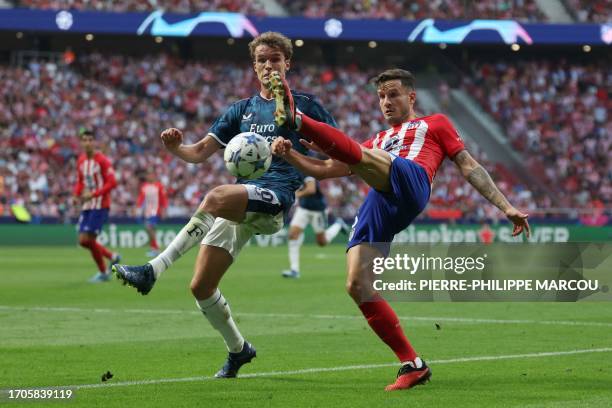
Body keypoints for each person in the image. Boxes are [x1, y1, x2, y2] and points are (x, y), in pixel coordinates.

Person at [269, 68, 530, 391]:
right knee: (356, 284)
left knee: (371, 156)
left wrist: (506, 206)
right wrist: (291, 154)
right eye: (381, 96)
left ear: (411, 96)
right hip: (380, 199)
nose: (386, 102)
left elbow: (469, 166)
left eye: (393, 94)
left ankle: (298, 117)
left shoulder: (435, 123)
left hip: (412, 179)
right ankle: (413, 364)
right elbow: (323, 169)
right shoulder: (376, 140)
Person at [112, 32, 337, 378]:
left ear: (287, 64)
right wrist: (176, 148)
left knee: (215, 196)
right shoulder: (241, 111)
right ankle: (239, 350)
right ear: (254, 65)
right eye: (261, 60)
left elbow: (338, 157)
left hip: (274, 198)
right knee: (201, 287)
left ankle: (152, 270)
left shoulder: (306, 106)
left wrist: (299, 160)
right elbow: (199, 152)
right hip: (242, 201)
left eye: (275, 59)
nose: (268, 66)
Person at [72, 129, 121, 282]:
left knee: (88, 240)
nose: (87, 143)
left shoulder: (102, 160)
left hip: (100, 205)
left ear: (94, 142)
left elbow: (112, 183)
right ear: (81, 142)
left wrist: (93, 194)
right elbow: (80, 181)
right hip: (87, 206)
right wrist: (76, 194)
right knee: (82, 241)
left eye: (90, 140)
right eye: (84, 140)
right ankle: (112, 256)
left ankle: (103, 272)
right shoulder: (81, 161)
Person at [282, 176, 349, 278]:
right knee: (292, 235)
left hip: (318, 210)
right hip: (303, 209)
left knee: (322, 242)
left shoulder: (306, 172)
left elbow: (311, 189)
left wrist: (296, 195)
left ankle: (338, 225)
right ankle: (294, 270)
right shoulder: (294, 171)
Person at [136, 171, 168, 257]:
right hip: (147, 211)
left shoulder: (159, 186)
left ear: (154, 176)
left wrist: (164, 209)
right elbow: (141, 198)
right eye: (147, 175)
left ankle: (155, 248)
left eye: (150, 175)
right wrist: (138, 208)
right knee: (150, 229)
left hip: (155, 211)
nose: (148, 177)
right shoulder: (144, 186)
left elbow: (163, 198)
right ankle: (153, 248)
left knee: (149, 227)